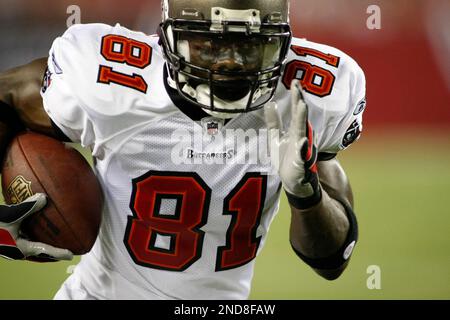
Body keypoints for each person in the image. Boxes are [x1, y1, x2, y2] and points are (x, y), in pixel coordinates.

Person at [0, 0, 365, 299]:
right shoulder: (109, 81)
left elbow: (332, 261)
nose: (229, 65)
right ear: (170, 35)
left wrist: (306, 192)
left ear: (281, 44)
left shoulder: (309, 99)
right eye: (210, 44)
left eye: (251, 46)